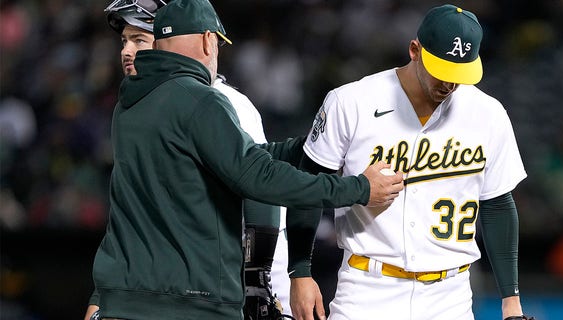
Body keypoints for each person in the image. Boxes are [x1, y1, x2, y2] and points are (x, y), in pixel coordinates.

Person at [90, 0, 404, 319]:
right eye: (126, 41)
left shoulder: (129, 105)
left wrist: (315, 146)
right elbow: (258, 179)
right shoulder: (206, 100)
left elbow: (229, 164)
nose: (127, 51)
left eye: (138, 39)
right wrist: (357, 189)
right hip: (189, 301)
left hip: (127, 298)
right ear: (208, 40)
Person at [287, 4, 534, 320]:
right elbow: (308, 186)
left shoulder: (488, 114)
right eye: (441, 71)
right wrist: (300, 272)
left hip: (451, 295)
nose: (449, 84)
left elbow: (498, 203)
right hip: (368, 289)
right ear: (415, 50)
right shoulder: (352, 101)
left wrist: (510, 299)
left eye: (459, 74)